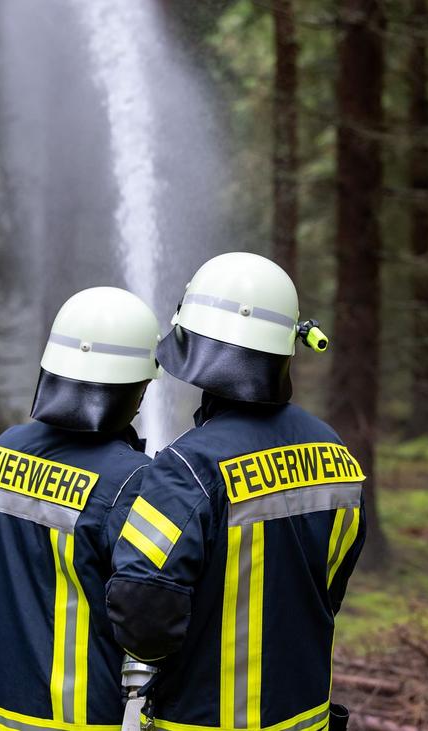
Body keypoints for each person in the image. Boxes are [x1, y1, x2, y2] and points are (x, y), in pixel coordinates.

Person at [107, 252, 364, 731]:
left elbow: (143, 615)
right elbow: (328, 587)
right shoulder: (335, 453)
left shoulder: (187, 468)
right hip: (304, 718)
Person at [0, 287, 159, 731]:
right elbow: (149, 607)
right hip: (86, 714)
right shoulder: (129, 480)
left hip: (9, 706)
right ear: (133, 386)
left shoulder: (5, 450)